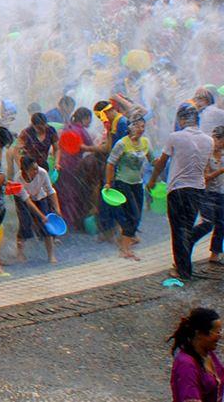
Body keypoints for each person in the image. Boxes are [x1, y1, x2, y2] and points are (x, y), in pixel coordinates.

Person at [151, 107, 218, 282]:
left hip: (178, 189)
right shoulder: (209, 140)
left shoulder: (175, 137)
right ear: (197, 121)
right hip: (197, 190)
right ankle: (183, 265)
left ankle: (183, 271)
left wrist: (152, 181)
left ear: (182, 120)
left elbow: (161, 163)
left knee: (178, 230)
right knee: (186, 227)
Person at [105, 115, 150, 261]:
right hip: (123, 183)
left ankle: (125, 242)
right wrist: (108, 182)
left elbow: (153, 159)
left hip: (138, 183)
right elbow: (111, 163)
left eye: (143, 126)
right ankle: (125, 249)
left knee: (137, 216)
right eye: (137, 126)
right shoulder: (122, 144)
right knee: (132, 215)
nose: (141, 129)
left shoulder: (145, 142)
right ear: (130, 128)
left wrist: (156, 178)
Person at [12, 156, 60, 264]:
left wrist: (57, 209)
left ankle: (51, 255)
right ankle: (20, 252)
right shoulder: (18, 179)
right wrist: (41, 216)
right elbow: (28, 201)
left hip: (39, 195)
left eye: (36, 167)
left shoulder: (42, 173)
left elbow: (51, 191)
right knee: (25, 222)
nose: (36, 171)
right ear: (25, 171)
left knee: (47, 226)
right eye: (33, 169)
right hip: (22, 199)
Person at [170, 306, 223, 402]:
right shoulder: (186, 365)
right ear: (199, 333)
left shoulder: (208, 354)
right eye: (217, 332)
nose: (220, 336)